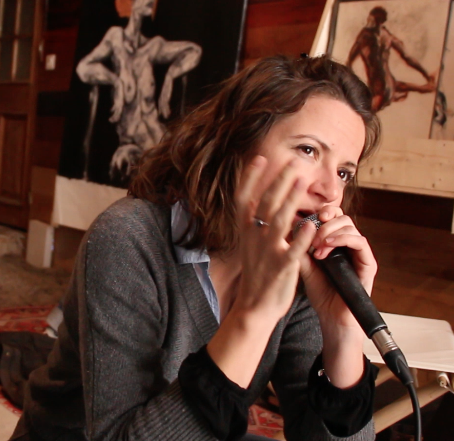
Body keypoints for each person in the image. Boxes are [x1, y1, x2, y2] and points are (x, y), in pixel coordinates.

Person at [11, 54, 381, 441]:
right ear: (237, 142)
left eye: (344, 172)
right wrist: (253, 315)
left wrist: (342, 334)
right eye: (308, 150)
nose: (330, 190)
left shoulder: (300, 266)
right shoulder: (127, 238)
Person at [76, 0, 202, 184]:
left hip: (159, 143)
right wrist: (115, 80)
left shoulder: (153, 47)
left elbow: (194, 51)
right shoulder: (115, 38)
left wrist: (170, 76)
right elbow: (83, 67)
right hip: (135, 147)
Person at [347, 6, 435, 112]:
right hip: (389, 85)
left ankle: (422, 88)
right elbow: (407, 58)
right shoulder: (387, 35)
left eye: (372, 18)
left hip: (379, 90)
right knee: (398, 86)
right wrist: (425, 74)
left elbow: (349, 62)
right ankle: (423, 88)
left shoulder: (365, 35)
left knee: (362, 113)